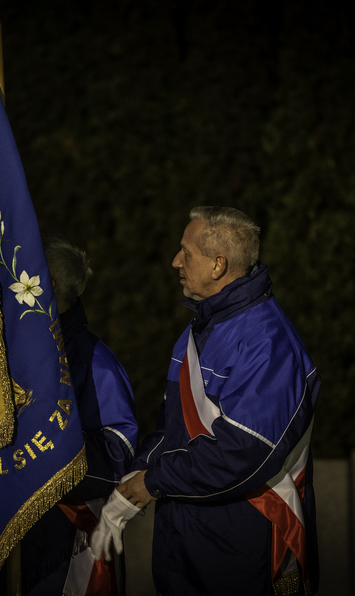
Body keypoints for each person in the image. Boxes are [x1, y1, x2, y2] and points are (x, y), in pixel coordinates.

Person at [92, 207, 320, 595]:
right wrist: (139, 472)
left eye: (186, 252)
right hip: (192, 540)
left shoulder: (268, 342)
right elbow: (174, 430)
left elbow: (242, 454)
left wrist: (152, 483)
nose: (175, 261)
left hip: (244, 550)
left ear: (218, 265)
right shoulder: (201, 329)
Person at [0, 234, 139, 596]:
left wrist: (36, 452)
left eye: (19, 272)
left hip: (59, 554)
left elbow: (114, 460)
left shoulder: (96, 363)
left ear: (50, 284)